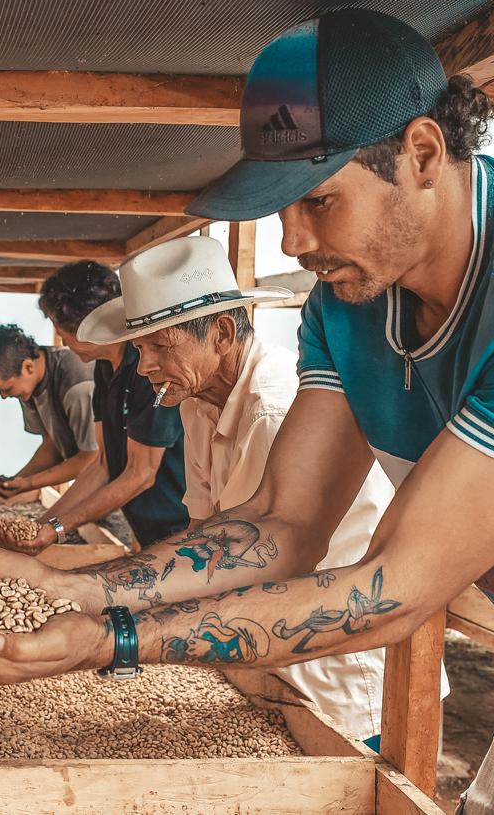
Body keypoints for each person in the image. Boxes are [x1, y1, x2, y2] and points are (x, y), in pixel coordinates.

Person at [0, 8, 494, 813]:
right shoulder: (349, 304)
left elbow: (395, 585)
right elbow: (282, 520)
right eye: (281, 209)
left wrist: (114, 641)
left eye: (318, 201)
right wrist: (79, 592)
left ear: (424, 154)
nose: (293, 241)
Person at [83, 237, 407, 747]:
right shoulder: (195, 401)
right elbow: (201, 534)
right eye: (140, 348)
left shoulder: (271, 410)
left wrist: (115, 630)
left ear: (223, 331)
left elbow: (249, 557)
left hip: (336, 674)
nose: (143, 367)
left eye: (158, 346)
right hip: (260, 655)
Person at [0, 260, 188, 551]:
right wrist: (41, 526)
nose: (61, 338)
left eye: (60, 328)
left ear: (90, 326)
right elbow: (103, 465)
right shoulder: (104, 368)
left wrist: (56, 529)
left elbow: (141, 475)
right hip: (150, 535)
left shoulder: (147, 369)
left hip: (186, 533)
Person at [0, 324, 98, 498]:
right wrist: (11, 483)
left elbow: (92, 459)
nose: (4, 396)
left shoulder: (78, 386)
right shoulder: (28, 384)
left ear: (28, 367)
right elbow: (52, 447)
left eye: (7, 389)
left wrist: (27, 484)